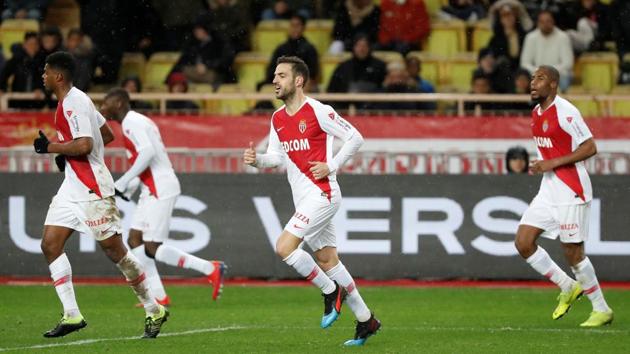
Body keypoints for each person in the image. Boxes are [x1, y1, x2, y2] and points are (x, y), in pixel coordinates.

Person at [243, 56, 381, 346]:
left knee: (284, 246)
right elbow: (278, 158)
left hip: (323, 193)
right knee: (327, 259)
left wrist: (331, 166)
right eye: (274, 75)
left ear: (298, 80)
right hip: (304, 197)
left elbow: (356, 137)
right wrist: (257, 161)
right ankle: (366, 320)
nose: (274, 80)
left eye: (281, 75)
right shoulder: (277, 118)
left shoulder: (318, 111)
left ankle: (331, 291)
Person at [32, 52, 168, 338]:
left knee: (116, 252)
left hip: (92, 187)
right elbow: (106, 135)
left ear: (58, 76)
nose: (42, 76)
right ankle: (72, 315)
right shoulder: (77, 100)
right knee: (50, 244)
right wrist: (68, 154)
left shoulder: (73, 103)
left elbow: (85, 144)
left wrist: (53, 148)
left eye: (46, 72)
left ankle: (153, 308)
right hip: (72, 187)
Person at [100, 88, 226, 306]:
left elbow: (147, 154)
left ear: (118, 104)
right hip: (152, 186)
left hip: (160, 187)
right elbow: (147, 160)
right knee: (134, 239)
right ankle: (158, 295)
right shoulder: (136, 122)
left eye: (105, 103)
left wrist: (122, 181)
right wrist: (129, 187)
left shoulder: (131, 122)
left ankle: (210, 268)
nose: (102, 108)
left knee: (152, 247)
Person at [514, 65, 613, 327]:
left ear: (554, 84)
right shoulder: (536, 113)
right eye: (533, 78)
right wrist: (542, 163)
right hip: (549, 189)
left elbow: (590, 147)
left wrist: (553, 163)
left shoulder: (567, 112)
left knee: (573, 253)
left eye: (541, 78)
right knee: (524, 242)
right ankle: (567, 286)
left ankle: (601, 309)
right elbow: (551, 151)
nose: (534, 82)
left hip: (571, 189)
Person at [327, 34, 386, 109]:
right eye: (359, 45)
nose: (362, 49)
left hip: (372, 107)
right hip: (344, 106)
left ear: (369, 47)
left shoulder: (379, 66)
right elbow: (332, 90)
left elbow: (383, 89)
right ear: (353, 47)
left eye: (364, 46)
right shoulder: (343, 67)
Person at [262, 14, 319, 90]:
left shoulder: (309, 49)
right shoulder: (281, 49)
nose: (294, 28)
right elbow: (271, 70)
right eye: (292, 25)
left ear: (303, 28)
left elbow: (312, 73)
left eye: (297, 25)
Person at [520, 11, 574, 92]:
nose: (545, 24)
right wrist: (539, 73)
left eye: (548, 21)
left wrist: (549, 73)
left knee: (564, 78)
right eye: (542, 22)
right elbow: (524, 63)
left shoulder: (563, 37)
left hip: (558, 75)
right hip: (536, 75)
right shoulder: (530, 38)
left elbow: (568, 63)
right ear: (538, 23)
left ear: (553, 22)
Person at [0, 31, 45, 109]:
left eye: (35, 44)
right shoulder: (16, 59)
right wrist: (1, 88)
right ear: (24, 45)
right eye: (30, 44)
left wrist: (40, 88)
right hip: (17, 100)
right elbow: (4, 74)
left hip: (36, 102)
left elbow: (44, 78)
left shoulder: (42, 60)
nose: (32, 47)